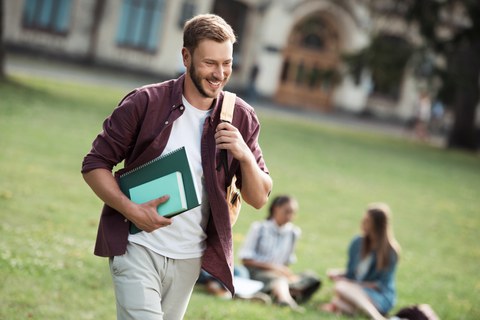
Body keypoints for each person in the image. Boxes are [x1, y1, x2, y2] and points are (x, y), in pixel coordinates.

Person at [81, 13, 272, 320]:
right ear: (186, 56)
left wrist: (245, 156)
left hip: (189, 258)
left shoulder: (240, 116)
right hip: (137, 247)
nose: (219, 73)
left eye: (227, 63)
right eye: (210, 63)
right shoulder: (145, 102)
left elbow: (259, 197)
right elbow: (95, 164)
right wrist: (131, 210)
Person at [239, 195, 321, 311]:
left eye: (293, 213)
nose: (290, 216)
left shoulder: (294, 233)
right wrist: (275, 268)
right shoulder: (259, 228)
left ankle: (275, 293)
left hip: (281, 273)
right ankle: (286, 301)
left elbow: (287, 262)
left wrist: (288, 274)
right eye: (287, 212)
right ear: (275, 208)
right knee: (278, 280)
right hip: (258, 271)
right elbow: (245, 259)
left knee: (311, 277)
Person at [321, 202, 401, 320]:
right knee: (338, 300)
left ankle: (377, 317)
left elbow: (380, 284)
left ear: (378, 226)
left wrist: (350, 283)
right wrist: (340, 274)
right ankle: (369, 314)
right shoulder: (357, 243)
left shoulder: (390, 251)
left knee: (341, 287)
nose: (362, 223)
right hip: (358, 293)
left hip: (380, 296)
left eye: (367, 221)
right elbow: (353, 274)